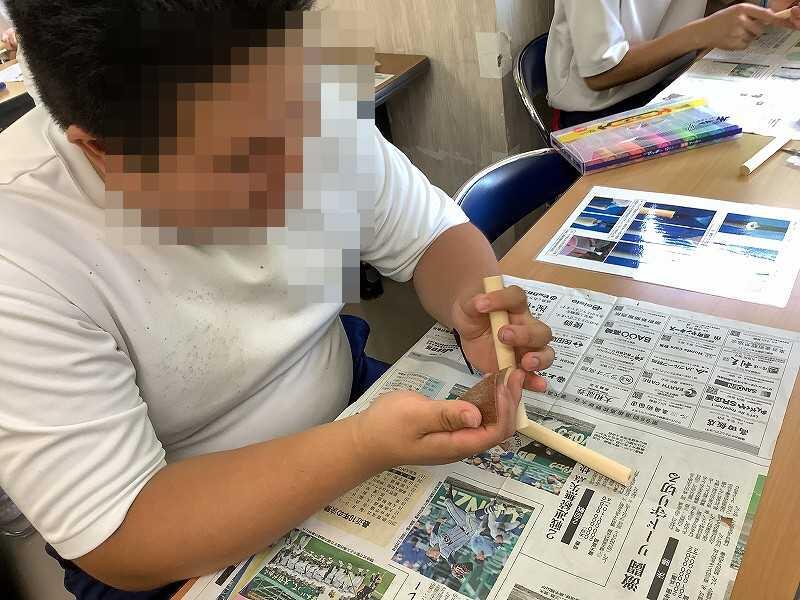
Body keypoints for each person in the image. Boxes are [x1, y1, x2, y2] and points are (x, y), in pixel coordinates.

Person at [0, 2, 556, 599]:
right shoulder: (22, 246)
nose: (299, 170)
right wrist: (360, 445)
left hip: (351, 403)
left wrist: (473, 304)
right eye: (241, 159)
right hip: (180, 538)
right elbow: (123, 532)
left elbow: (431, 236)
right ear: (100, 150)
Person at [547, 0, 800, 129]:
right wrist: (702, 33)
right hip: (600, 113)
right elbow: (601, 73)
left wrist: (773, 8)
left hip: (674, 86)